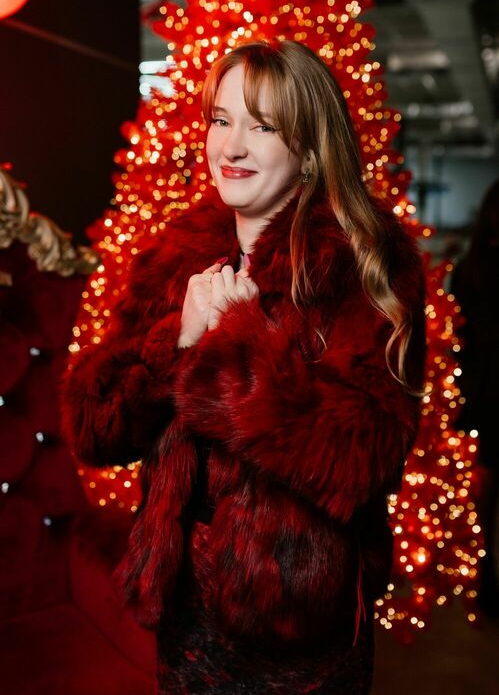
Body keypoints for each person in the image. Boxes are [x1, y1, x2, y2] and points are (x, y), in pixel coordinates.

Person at [61, 39, 427, 694]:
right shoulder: (178, 257)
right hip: (185, 614)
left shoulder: (364, 263)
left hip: (299, 628)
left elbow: (366, 453)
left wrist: (235, 343)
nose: (230, 147)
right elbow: (96, 428)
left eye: (262, 127)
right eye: (221, 120)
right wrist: (178, 341)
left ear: (309, 149)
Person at [450, 178, 499, 618]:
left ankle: (484, 581)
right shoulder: (474, 268)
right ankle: (484, 582)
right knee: (484, 496)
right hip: (486, 394)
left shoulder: (471, 267)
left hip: (481, 394)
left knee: (483, 497)